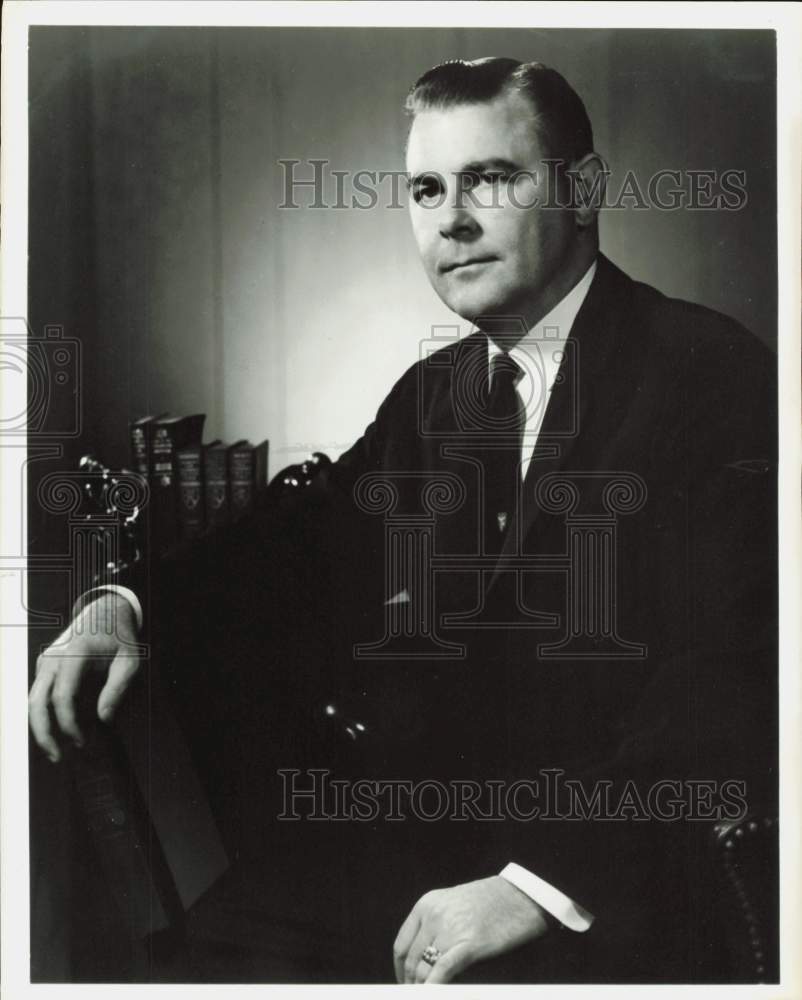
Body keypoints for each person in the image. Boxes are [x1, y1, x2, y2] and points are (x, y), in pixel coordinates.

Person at [28, 58, 777, 984]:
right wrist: (124, 606)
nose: (451, 219)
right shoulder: (436, 394)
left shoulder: (715, 376)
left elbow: (736, 679)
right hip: (426, 865)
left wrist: (542, 884)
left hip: (614, 900)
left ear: (584, 191)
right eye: (427, 188)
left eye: (492, 179)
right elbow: (290, 544)